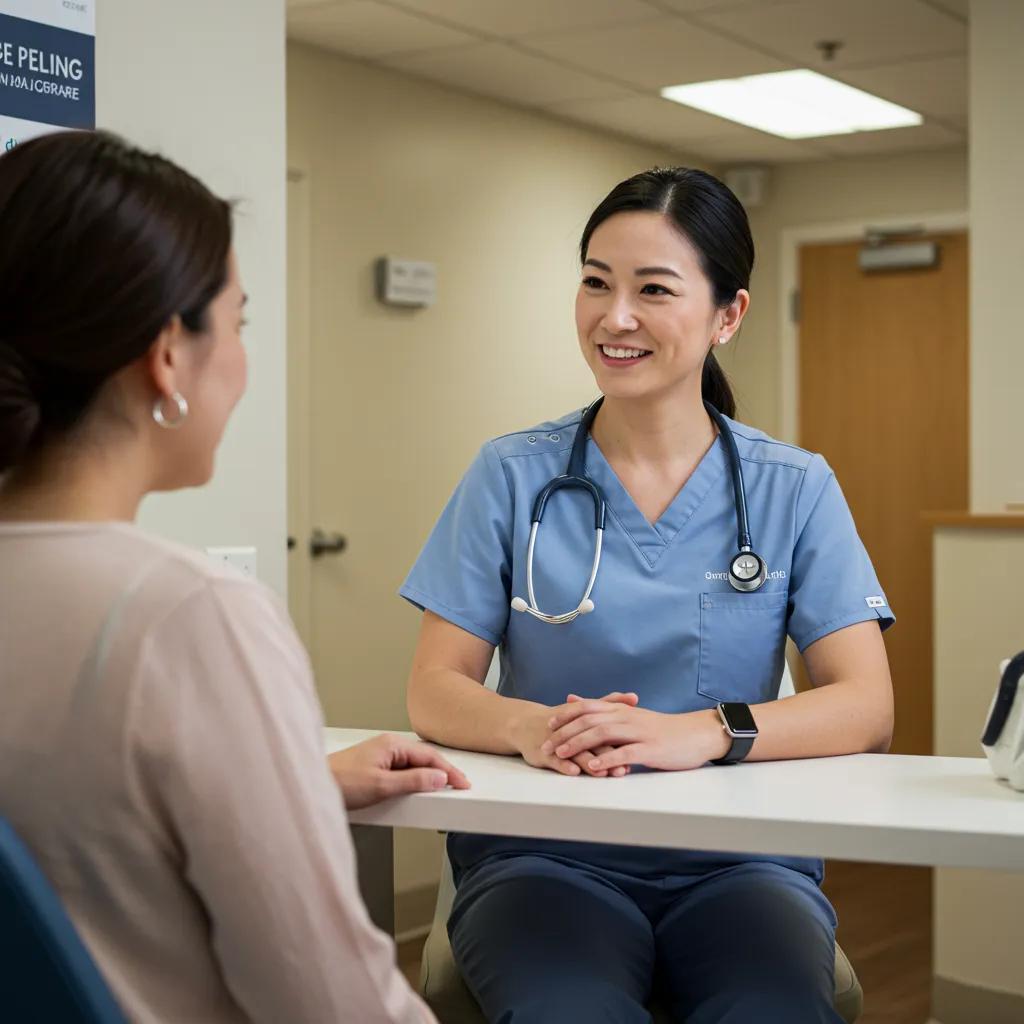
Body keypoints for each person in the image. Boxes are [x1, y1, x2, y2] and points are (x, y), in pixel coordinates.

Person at [401, 167, 895, 1023]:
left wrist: (699, 733)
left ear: (728, 315)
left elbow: (866, 705)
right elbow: (434, 688)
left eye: (653, 289)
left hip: (743, 862)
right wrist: (531, 727)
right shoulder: (511, 475)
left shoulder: (794, 488)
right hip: (546, 856)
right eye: (596, 282)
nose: (614, 316)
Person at [0, 129, 468, 1024]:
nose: (244, 360)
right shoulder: (186, 616)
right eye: (239, 323)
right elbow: (334, 1004)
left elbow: (61, 826)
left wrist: (285, 786)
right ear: (168, 355)